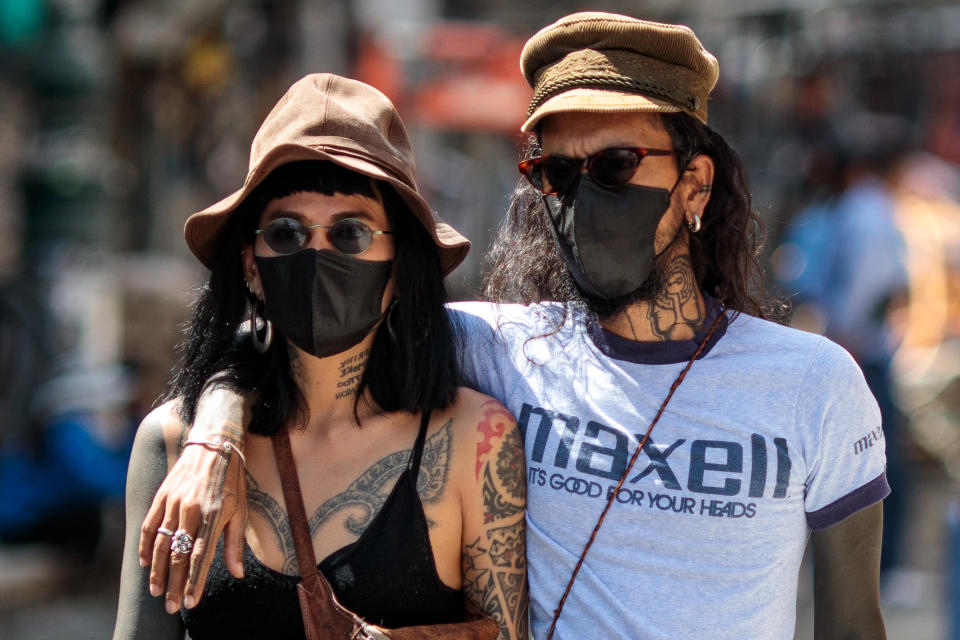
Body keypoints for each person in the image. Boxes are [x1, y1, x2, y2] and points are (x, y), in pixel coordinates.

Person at [138, 14, 888, 640]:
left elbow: (855, 628)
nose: (580, 196)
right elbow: (299, 330)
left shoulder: (814, 385)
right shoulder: (497, 348)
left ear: (694, 182)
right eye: (557, 173)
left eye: (616, 166)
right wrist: (214, 431)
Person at [113, 74, 527, 640]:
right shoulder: (173, 443)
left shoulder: (475, 442)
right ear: (251, 264)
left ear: (402, 267)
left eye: (351, 233)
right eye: (285, 232)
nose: (316, 256)